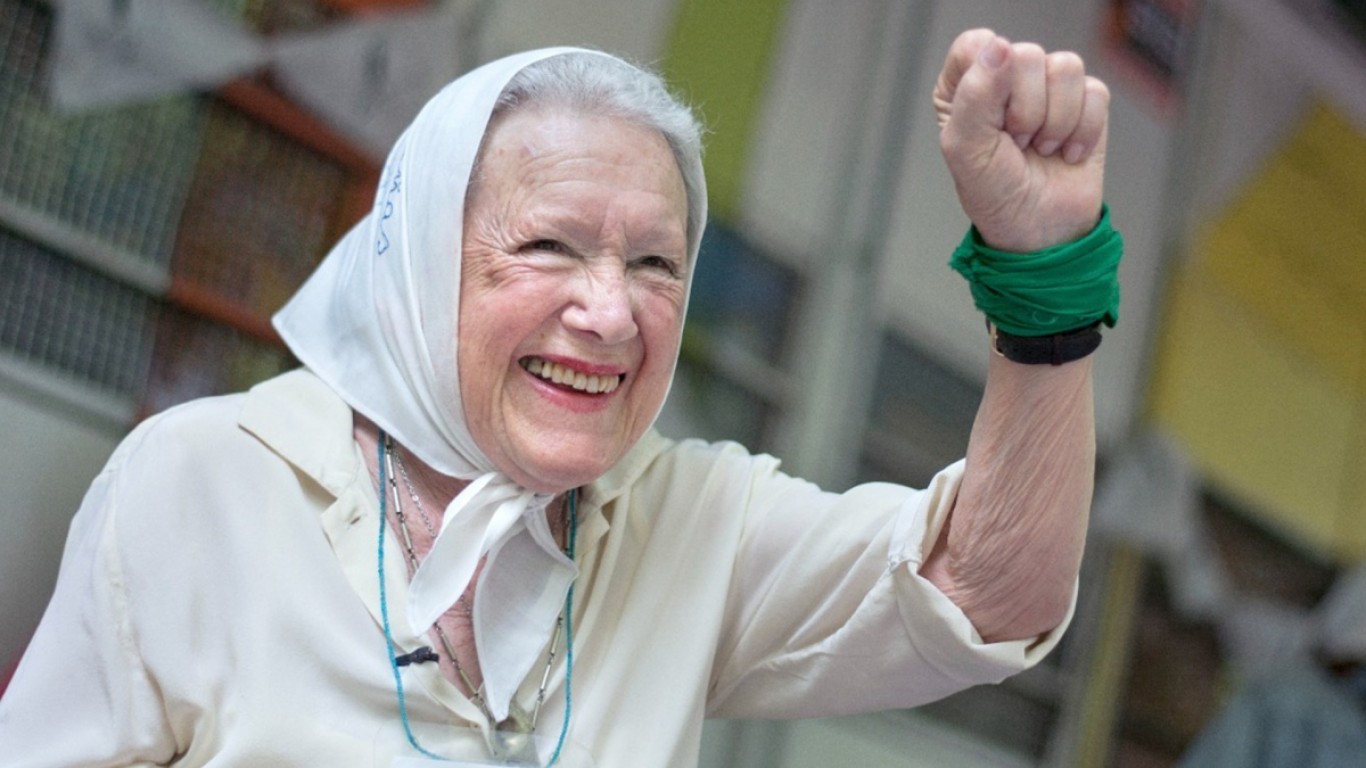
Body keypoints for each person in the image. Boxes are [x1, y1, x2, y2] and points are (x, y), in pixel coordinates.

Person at [0, 28, 1119, 767]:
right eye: (548, 246)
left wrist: (1044, 286)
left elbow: (985, 594)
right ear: (420, 264)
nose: (611, 313)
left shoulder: (684, 521)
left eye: (655, 265)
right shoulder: (204, 481)